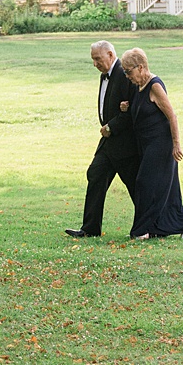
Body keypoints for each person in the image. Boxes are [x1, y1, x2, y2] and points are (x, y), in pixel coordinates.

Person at [66, 40, 138, 238]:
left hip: (124, 143)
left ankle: (148, 226)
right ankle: (90, 228)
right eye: (93, 59)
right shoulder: (104, 75)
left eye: (98, 59)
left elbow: (132, 109)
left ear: (110, 55)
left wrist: (111, 127)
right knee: (95, 174)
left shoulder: (125, 74)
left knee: (134, 185)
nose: (95, 63)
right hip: (108, 142)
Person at [123, 47, 183, 239]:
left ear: (141, 67)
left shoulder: (154, 85)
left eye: (128, 71)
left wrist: (176, 144)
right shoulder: (138, 87)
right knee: (169, 189)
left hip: (161, 144)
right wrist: (126, 107)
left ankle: (141, 230)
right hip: (145, 144)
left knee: (145, 183)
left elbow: (172, 115)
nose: (127, 75)